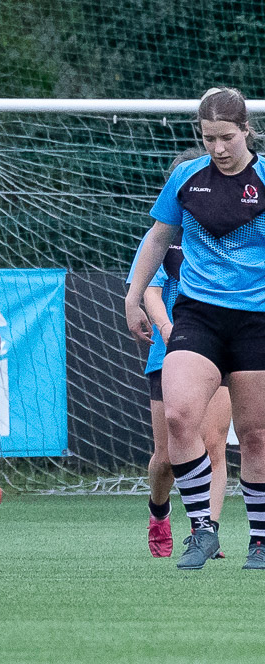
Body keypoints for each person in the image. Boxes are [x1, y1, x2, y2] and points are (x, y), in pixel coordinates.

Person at [125, 86, 265, 571]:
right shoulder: (186, 177)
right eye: (209, 139)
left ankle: (261, 541)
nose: (219, 148)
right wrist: (133, 294)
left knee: (255, 435)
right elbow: (159, 236)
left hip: (257, 318)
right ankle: (202, 530)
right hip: (198, 313)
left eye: (227, 137)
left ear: (246, 130)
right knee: (180, 419)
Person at [127, 150, 232, 559]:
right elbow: (149, 290)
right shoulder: (164, 237)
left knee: (215, 444)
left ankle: (206, 531)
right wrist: (170, 333)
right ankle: (158, 509)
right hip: (171, 352)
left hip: (221, 350)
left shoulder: (236, 232)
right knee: (168, 456)